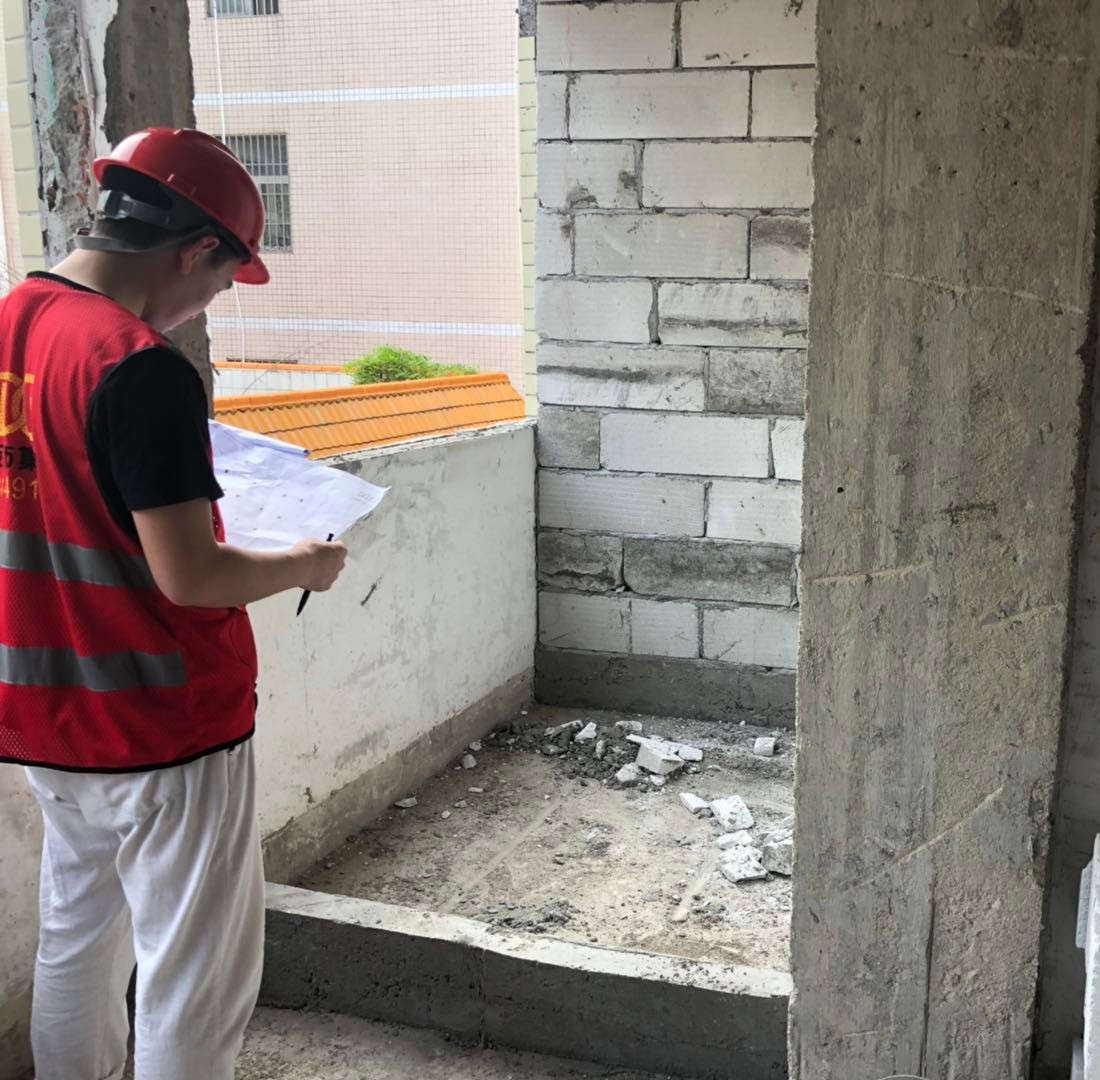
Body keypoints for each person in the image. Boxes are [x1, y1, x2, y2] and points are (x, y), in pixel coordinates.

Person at [0, 127, 347, 1079]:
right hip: (161, 720)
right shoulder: (137, 366)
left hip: (44, 712)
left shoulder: (11, 324)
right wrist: (302, 565)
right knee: (194, 971)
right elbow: (191, 576)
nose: (209, 303)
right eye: (223, 281)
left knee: (78, 933)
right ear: (195, 251)